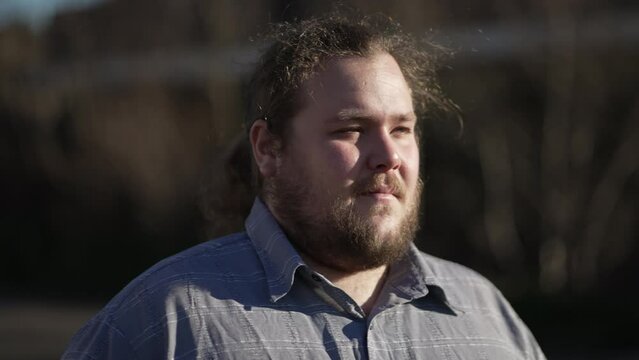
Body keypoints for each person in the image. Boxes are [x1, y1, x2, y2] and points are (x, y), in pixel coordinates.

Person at [63, 12, 546, 360]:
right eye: (350, 130)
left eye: (402, 129)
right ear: (269, 149)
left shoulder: (487, 315)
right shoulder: (165, 321)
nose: (390, 156)